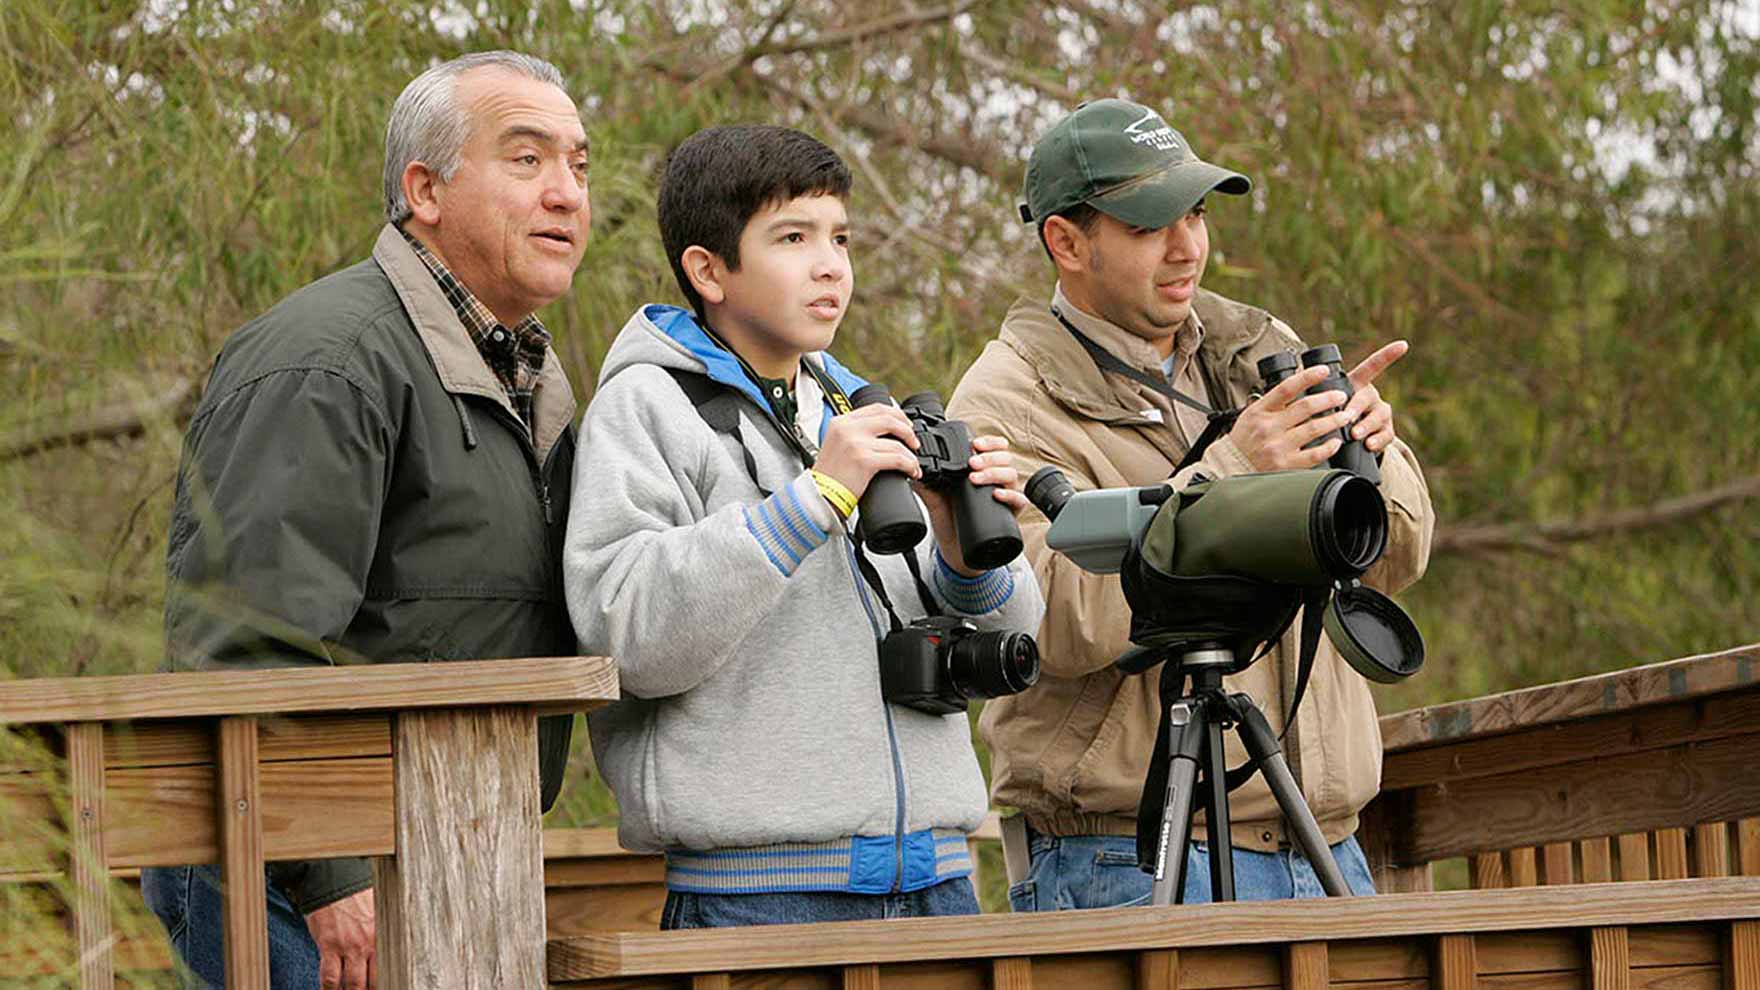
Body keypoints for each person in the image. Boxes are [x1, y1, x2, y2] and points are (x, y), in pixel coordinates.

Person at [145, 51, 590, 989]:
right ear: (424, 190)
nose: (565, 194)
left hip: (436, 844)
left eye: (578, 165)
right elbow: (245, 640)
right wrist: (328, 873)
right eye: (526, 160)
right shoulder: (328, 362)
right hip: (293, 872)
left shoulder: (529, 376)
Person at [946, 98, 1435, 909]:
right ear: (1065, 242)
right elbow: (1041, 618)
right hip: (1128, 857)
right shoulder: (1005, 402)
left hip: (1325, 845)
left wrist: (1374, 459)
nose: (1187, 248)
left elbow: (1398, 562)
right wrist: (1236, 471)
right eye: (1147, 225)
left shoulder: (1257, 347)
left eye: (1197, 213)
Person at [562, 124, 1044, 929]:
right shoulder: (647, 407)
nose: (831, 265)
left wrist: (966, 554)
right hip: (760, 893)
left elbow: (1026, 638)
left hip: (940, 881)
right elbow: (628, 638)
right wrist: (811, 501)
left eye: (841, 238)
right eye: (793, 237)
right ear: (707, 270)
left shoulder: (869, 413)